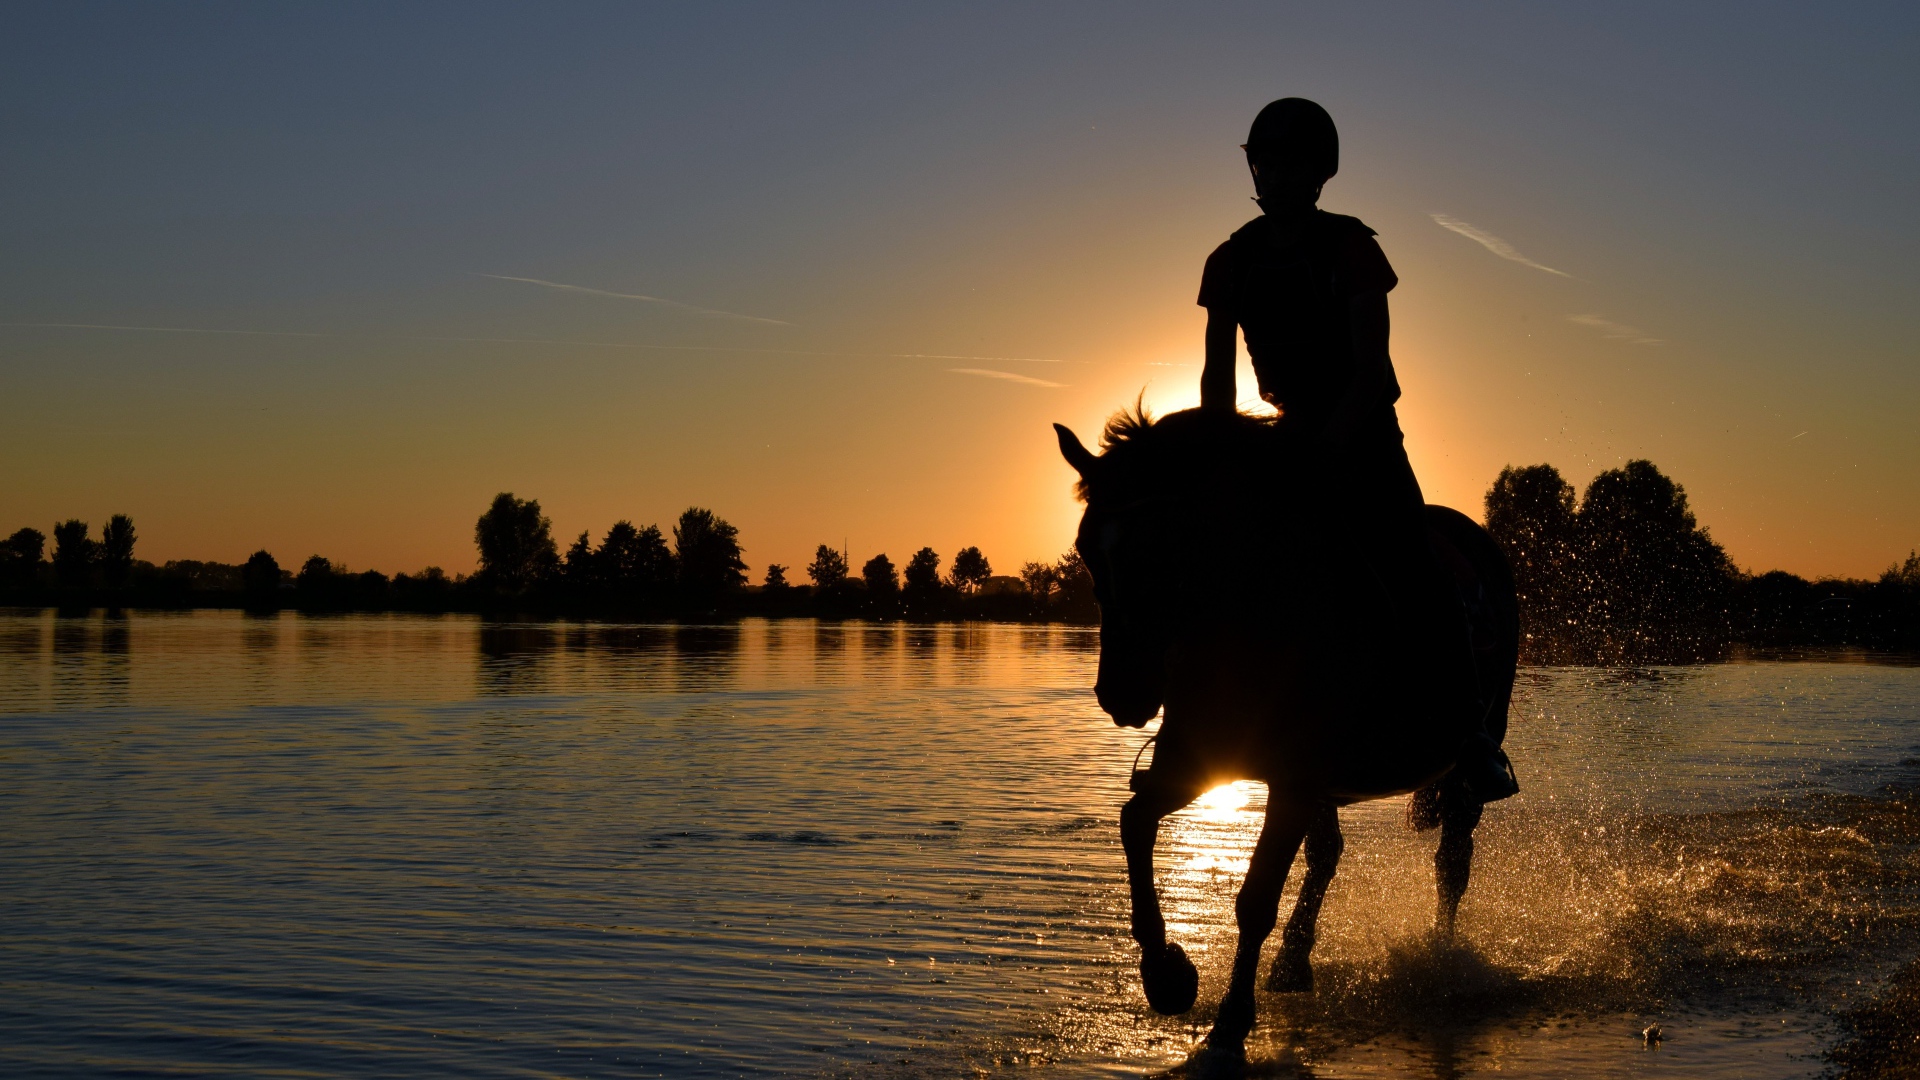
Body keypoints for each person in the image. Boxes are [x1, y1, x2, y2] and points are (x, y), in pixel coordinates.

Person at [1197, 97, 1517, 802]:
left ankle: (1470, 736)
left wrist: (1326, 450)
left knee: (1409, 561)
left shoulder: (1352, 251)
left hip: (1364, 436)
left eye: (1293, 166)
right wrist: (1219, 452)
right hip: (1284, 437)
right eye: (1267, 163)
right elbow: (1217, 374)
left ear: (1320, 175)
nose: (1277, 177)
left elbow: (1372, 372)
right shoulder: (1230, 261)